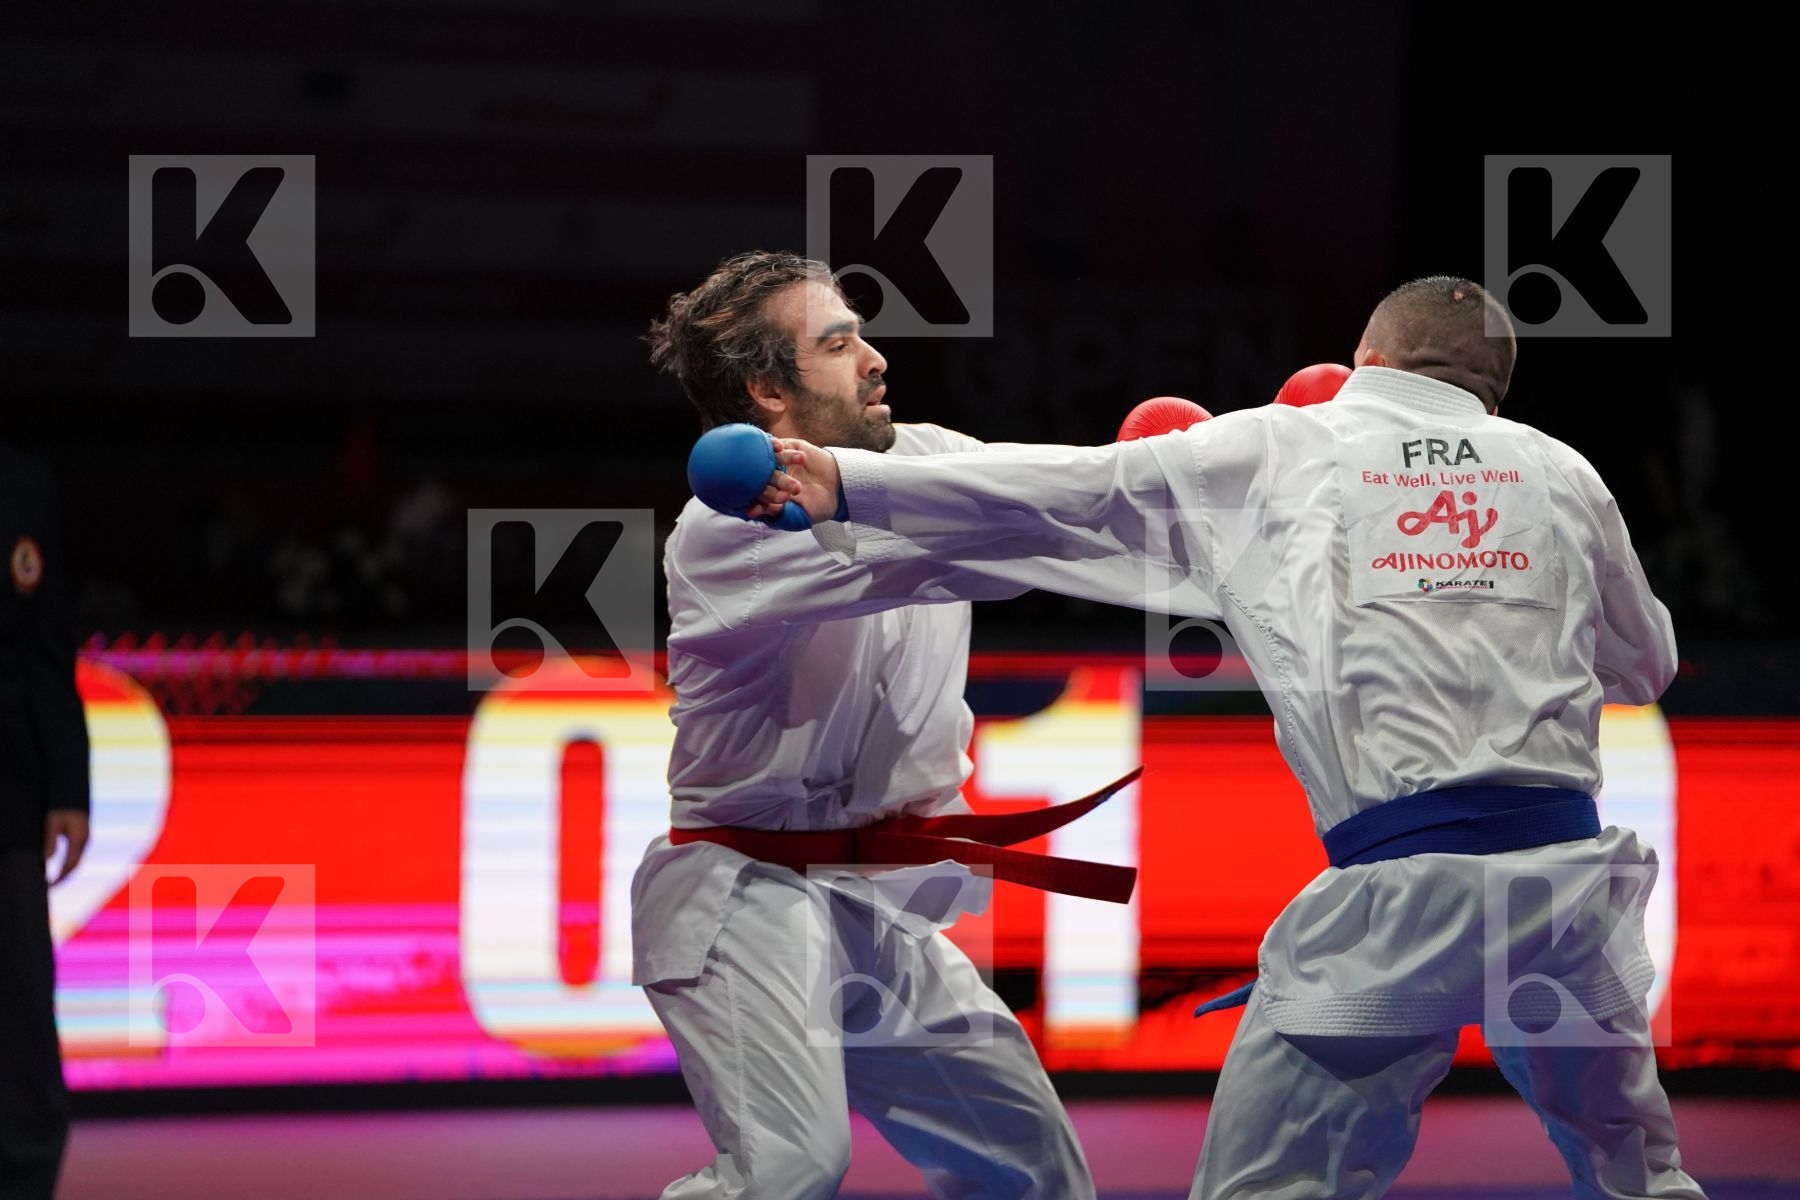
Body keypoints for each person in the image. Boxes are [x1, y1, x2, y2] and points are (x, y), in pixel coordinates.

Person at [750, 277, 1708, 1200]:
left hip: (1407, 904)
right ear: (1493, 388)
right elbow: (1645, 668)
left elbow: (1073, 487)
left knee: (1265, 1188)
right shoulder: (1562, 469)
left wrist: (850, 485)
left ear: (1366, 358)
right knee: (1639, 1173)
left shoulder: (1289, 444)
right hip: (1571, 887)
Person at [632, 251, 1104, 1199]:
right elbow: (967, 555)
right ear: (767, 388)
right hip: (746, 893)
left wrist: (1238, 462)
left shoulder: (928, 459)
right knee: (792, 1169)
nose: (876, 358)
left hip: (873, 905)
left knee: (1035, 1170)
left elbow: (1076, 490)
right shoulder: (730, 531)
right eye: (839, 344)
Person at [0, 444, 90, 1200]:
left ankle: (24, 1183)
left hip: (5, 796)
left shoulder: (22, 481)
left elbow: (44, 646)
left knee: (18, 1016)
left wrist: (69, 784)